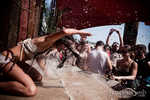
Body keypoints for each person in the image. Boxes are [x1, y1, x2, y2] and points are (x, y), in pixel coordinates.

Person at [0, 28, 91, 96]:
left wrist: (52, 74)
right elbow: (65, 32)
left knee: (38, 77)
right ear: (61, 42)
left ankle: (9, 78)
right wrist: (80, 32)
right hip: (5, 59)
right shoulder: (47, 40)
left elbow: (39, 60)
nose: (64, 49)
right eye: (65, 46)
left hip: (16, 61)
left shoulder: (48, 46)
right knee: (31, 90)